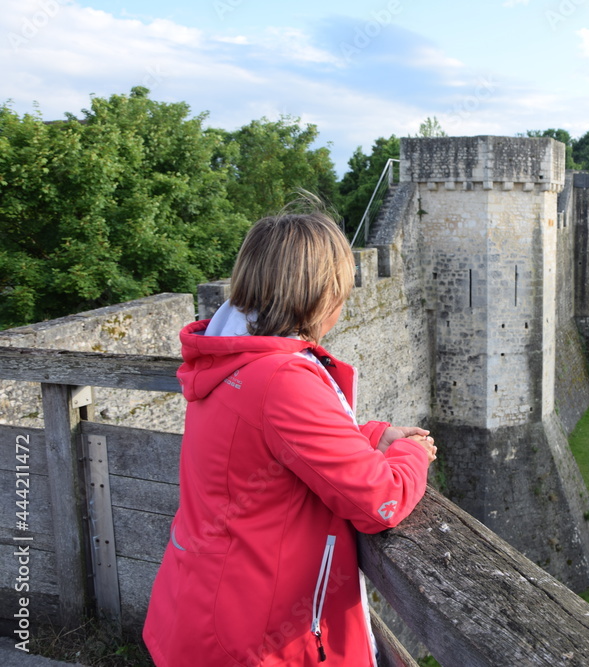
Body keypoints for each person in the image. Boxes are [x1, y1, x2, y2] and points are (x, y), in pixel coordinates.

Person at [142, 195, 436, 666]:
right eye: (341, 288)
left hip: (203, 611)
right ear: (320, 293)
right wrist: (414, 454)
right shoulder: (280, 379)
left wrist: (373, 435)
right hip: (256, 639)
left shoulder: (231, 361)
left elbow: (278, 449)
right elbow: (381, 501)